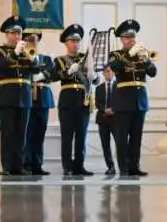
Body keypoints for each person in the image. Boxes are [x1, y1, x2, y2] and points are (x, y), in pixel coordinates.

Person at [107, 19, 157, 176]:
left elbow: (153, 72)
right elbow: (115, 67)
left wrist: (147, 60)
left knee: (136, 138)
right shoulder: (115, 55)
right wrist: (130, 53)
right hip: (123, 101)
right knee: (122, 138)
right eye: (127, 37)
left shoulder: (142, 54)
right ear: (121, 39)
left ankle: (135, 167)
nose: (131, 40)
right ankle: (124, 168)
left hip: (140, 102)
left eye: (133, 37)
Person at [0, 15, 39, 175]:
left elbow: (36, 70)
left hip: (24, 96)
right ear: (7, 34)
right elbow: (1, 64)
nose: (17, 36)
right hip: (7, 96)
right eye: (13, 33)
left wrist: (34, 59)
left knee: (21, 134)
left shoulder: (25, 51)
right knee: (7, 133)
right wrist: (14, 53)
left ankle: (18, 166)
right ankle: (6, 166)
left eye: (19, 33)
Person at [53, 24, 94, 176]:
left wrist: (95, 76)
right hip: (67, 102)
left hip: (83, 101)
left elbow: (93, 79)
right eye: (73, 41)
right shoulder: (60, 60)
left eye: (78, 41)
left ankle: (79, 166)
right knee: (67, 136)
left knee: (81, 136)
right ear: (66, 43)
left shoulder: (86, 59)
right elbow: (53, 76)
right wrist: (68, 71)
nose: (76, 44)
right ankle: (67, 166)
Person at [23, 31, 54, 175]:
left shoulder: (46, 58)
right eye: (29, 40)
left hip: (43, 100)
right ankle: (26, 164)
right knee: (27, 133)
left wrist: (40, 74)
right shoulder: (22, 59)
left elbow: (51, 73)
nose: (33, 43)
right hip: (28, 98)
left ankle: (37, 164)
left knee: (39, 134)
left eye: (35, 40)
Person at [95, 65, 117, 175]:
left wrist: (113, 109)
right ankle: (110, 167)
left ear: (113, 73)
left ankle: (125, 165)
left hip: (116, 119)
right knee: (105, 145)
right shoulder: (99, 88)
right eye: (105, 72)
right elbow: (97, 103)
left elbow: (121, 101)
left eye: (109, 71)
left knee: (120, 143)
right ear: (103, 73)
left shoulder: (119, 87)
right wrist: (105, 109)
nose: (108, 73)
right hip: (102, 119)